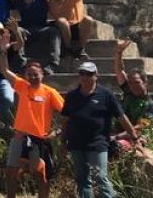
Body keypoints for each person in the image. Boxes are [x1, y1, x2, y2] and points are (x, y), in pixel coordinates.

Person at [0, 25, 61, 198]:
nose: (32, 77)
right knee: (11, 171)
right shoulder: (22, 86)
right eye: (29, 74)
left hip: (39, 139)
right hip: (19, 137)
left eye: (35, 74)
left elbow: (67, 112)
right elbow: (4, 70)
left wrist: (57, 131)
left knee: (40, 173)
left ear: (42, 75)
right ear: (25, 76)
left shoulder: (49, 92)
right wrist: (3, 52)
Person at [61, 60, 142, 198]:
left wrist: (134, 137)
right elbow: (65, 121)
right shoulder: (72, 96)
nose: (85, 77)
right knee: (82, 180)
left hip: (98, 144)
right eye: (82, 73)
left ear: (95, 76)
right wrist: (63, 141)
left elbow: (122, 118)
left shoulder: (106, 95)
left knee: (101, 178)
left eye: (89, 74)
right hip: (76, 144)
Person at [6, 0, 59, 71]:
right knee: (18, 30)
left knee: (54, 31)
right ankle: (21, 63)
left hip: (42, 29)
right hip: (27, 30)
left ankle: (53, 63)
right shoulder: (18, 1)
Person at [113, 39, 150, 148]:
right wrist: (119, 53)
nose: (133, 86)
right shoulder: (129, 91)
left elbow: (139, 127)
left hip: (134, 137)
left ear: (145, 83)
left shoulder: (149, 105)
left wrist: (116, 137)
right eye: (131, 83)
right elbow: (120, 71)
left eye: (137, 82)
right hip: (118, 132)